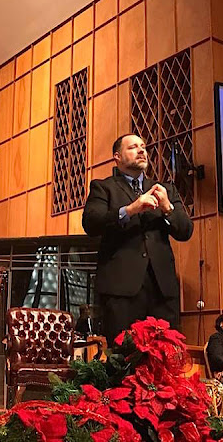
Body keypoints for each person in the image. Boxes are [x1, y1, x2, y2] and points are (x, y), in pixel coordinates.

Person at [81, 134, 193, 341]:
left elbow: (185, 231)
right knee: (123, 353)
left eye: (143, 146)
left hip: (162, 289)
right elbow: (91, 223)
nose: (141, 151)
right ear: (117, 156)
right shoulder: (103, 187)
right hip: (121, 289)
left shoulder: (165, 189)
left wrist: (167, 208)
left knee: (165, 352)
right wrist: (131, 209)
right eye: (133, 147)